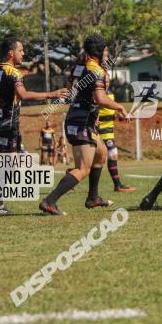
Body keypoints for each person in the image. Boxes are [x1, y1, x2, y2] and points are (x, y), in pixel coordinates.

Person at [0, 37, 68, 215]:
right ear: (11, 53)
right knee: (10, 165)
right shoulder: (13, 73)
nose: (23, 53)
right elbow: (23, 95)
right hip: (8, 123)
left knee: (7, 165)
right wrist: (52, 94)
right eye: (21, 50)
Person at [39, 35, 132, 216]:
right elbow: (100, 98)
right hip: (81, 123)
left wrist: (89, 107)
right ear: (98, 52)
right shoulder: (96, 71)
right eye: (105, 50)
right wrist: (120, 107)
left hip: (79, 119)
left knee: (102, 153)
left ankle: (93, 198)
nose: (107, 54)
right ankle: (49, 201)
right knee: (82, 169)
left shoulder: (78, 68)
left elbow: (71, 90)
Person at [97, 93, 135, 193]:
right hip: (99, 130)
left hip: (109, 131)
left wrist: (119, 115)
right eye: (105, 80)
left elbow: (111, 110)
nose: (107, 83)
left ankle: (72, 172)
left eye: (108, 81)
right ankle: (117, 185)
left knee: (105, 156)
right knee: (109, 155)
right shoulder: (96, 94)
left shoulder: (111, 96)